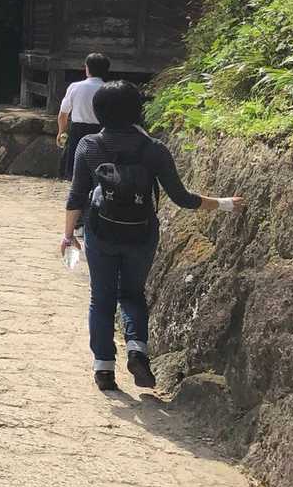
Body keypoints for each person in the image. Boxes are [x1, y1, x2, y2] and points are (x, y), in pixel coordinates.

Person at [64, 81, 244, 392]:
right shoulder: (154, 149)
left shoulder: (89, 145)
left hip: (100, 232)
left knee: (101, 298)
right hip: (141, 232)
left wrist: (68, 235)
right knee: (132, 294)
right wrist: (226, 203)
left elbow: (77, 194)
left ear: (98, 111)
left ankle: (104, 368)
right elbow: (182, 197)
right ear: (138, 110)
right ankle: (137, 351)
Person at [58, 52, 109, 180]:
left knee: (75, 171)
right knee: (98, 171)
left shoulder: (75, 87)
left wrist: (61, 132)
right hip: (101, 132)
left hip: (77, 131)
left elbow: (63, 114)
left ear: (87, 68)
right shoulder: (108, 89)